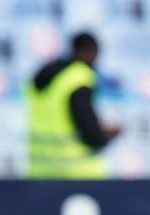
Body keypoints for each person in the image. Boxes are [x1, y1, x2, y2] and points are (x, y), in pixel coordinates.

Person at [27, 32, 121, 179]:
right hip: (78, 174)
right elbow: (91, 133)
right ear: (89, 51)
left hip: (41, 172)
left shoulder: (44, 75)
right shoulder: (78, 78)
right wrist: (108, 134)